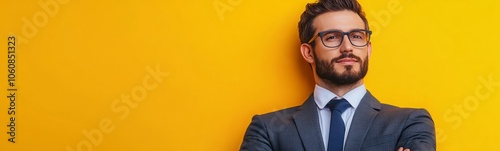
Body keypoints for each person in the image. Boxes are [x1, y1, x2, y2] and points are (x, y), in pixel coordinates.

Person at [239, 0, 436, 151]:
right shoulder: (268, 130)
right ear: (308, 52)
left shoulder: (410, 122)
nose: (347, 47)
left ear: (368, 49)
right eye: (332, 37)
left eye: (357, 36)